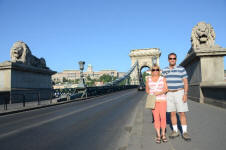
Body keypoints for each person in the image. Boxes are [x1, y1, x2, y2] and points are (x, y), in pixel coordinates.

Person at [162, 53, 191, 141]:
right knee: (172, 113)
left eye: (174, 58)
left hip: (179, 92)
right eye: (170, 58)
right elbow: (163, 83)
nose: (172, 60)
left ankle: (185, 132)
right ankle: (175, 131)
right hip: (169, 94)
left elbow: (185, 82)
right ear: (168, 59)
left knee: (182, 113)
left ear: (176, 59)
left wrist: (185, 94)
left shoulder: (181, 69)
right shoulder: (164, 70)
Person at [145, 65, 168, 144]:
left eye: (157, 69)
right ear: (151, 71)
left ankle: (163, 134)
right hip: (153, 101)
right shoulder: (148, 79)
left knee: (163, 117)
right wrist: (151, 94)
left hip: (162, 100)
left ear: (159, 70)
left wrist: (159, 92)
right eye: (153, 70)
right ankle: (158, 135)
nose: (155, 71)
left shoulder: (163, 78)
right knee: (156, 118)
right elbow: (147, 90)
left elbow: (166, 89)